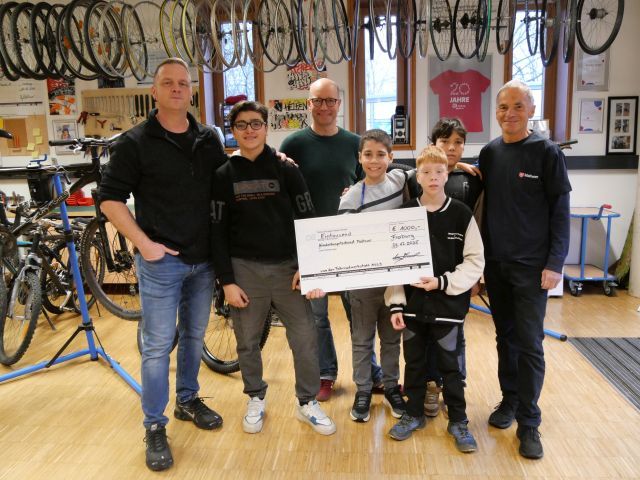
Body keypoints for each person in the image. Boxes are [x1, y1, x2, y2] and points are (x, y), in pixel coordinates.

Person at [99, 58, 225, 472]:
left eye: (183, 83)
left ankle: (187, 399)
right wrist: (144, 245)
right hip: (160, 264)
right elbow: (110, 200)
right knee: (156, 347)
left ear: (191, 92)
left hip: (202, 261)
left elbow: (228, 179)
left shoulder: (208, 138)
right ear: (154, 91)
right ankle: (154, 424)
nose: (176, 89)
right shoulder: (134, 142)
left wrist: (274, 159)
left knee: (194, 336)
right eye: (167, 83)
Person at [210, 100, 336, 436]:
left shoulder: (287, 169)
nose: (249, 130)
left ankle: (307, 402)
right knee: (247, 341)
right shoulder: (223, 175)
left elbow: (307, 217)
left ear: (266, 128)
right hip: (244, 271)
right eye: (241, 125)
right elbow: (217, 232)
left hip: (288, 270)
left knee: (305, 338)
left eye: (256, 123)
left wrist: (308, 265)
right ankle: (255, 397)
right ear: (233, 131)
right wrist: (226, 281)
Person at [480, 79, 571, 459]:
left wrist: (555, 263)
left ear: (531, 110)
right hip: (497, 264)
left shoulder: (547, 153)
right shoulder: (489, 153)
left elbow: (560, 213)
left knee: (530, 342)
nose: (510, 113)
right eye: (503, 107)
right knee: (505, 338)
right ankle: (510, 400)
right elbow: (485, 205)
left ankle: (530, 422)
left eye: (518, 106)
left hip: (533, 268)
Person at [280, 78, 382, 401]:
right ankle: (326, 374)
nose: (324, 107)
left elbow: (372, 183)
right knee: (317, 316)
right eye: (317, 100)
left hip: (348, 241)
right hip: (311, 243)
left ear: (339, 104)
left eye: (330, 101)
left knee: (359, 314)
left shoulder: (355, 143)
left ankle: (371, 373)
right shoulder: (293, 143)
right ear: (309, 104)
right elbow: (281, 187)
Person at [386, 145, 484, 453]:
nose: (432, 177)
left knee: (450, 368)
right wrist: (396, 303)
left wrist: (443, 282)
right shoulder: (404, 214)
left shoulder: (461, 214)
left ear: (447, 174)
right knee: (414, 364)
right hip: (413, 307)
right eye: (426, 172)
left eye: (439, 171)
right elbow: (393, 265)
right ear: (417, 176)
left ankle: (458, 420)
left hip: (448, 307)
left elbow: (475, 261)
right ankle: (413, 413)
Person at [337, 129, 412, 422]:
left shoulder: (400, 179)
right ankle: (364, 390)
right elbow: (341, 241)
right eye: (368, 154)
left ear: (391, 157)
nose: (374, 160)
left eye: (381, 154)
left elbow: (432, 168)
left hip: (394, 283)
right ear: (359, 158)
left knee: (392, 340)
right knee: (362, 340)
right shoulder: (351, 197)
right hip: (363, 283)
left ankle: (392, 387)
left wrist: (461, 165)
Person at [423, 118, 483, 418]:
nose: (451, 148)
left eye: (457, 143)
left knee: (454, 333)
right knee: (427, 334)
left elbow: (479, 226)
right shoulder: (418, 178)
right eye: (444, 142)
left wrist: (476, 276)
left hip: (458, 273)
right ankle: (431, 385)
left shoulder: (473, 180)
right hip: (425, 273)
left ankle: (454, 387)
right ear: (433, 144)